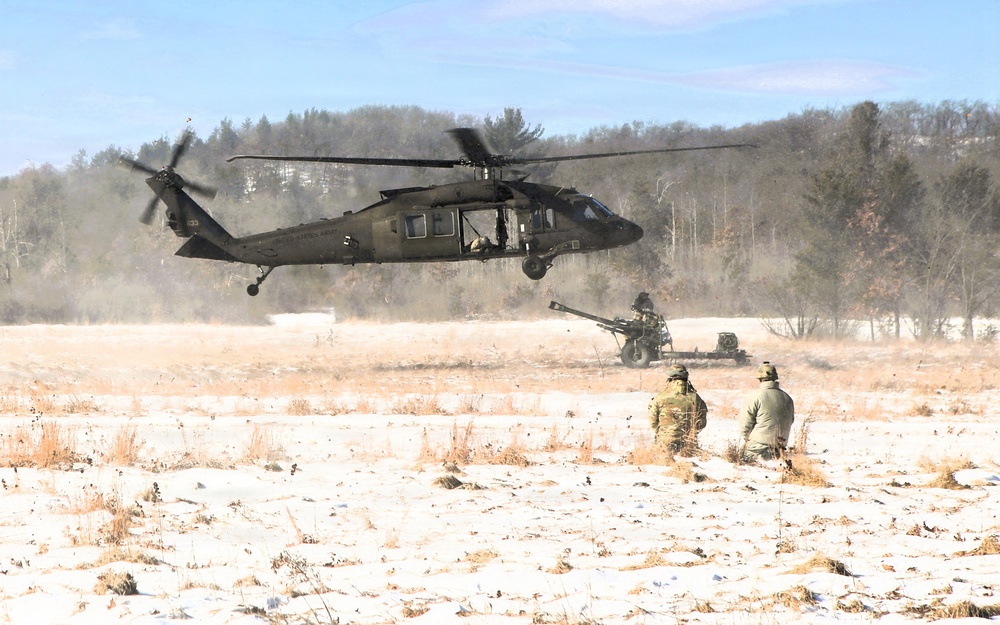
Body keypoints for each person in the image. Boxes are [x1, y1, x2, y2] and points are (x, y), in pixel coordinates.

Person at [740, 361, 795, 461]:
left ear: (760, 378)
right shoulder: (788, 398)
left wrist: (748, 440)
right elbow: (791, 421)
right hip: (780, 448)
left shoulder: (755, 397)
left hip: (758, 448)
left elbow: (745, 425)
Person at [648, 364, 708, 455]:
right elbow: (702, 422)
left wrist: (664, 433)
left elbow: (652, 421)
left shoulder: (660, 397)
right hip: (688, 444)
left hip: (664, 444)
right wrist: (691, 433)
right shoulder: (695, 398)